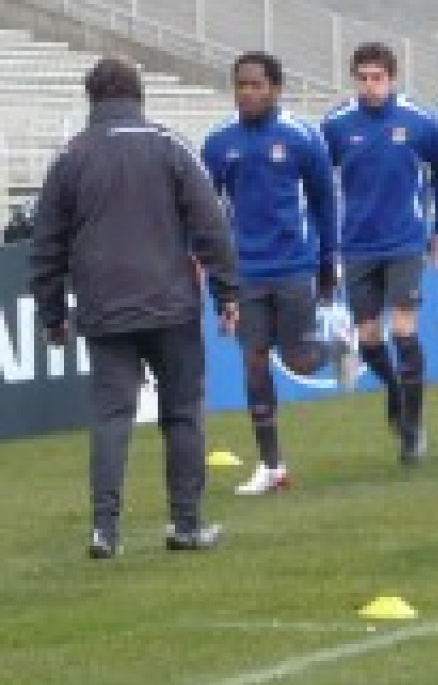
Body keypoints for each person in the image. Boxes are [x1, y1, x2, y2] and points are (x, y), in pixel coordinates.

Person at [29, 57, 238, 558]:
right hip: (171, 305)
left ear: (91, 99)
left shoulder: (71, 157)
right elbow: (210, 224)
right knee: (182, 414)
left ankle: (105, 530)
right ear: (140, 95)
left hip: (104, 308)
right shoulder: (169, 146)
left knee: (111, 418)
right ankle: (185, 525)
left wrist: (51, 313)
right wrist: (227, 292)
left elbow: (46, 244)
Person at [202, 51, 350, 495]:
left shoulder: (302, 137)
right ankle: (271, 466)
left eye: (256, 85)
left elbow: (325, 202)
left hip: (294, 266)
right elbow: (208, 215)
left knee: (299, 359)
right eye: (241, 85)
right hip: (245, 271)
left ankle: (339, 344)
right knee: (253, 361)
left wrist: (329, 261)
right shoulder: (218, 143)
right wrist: (218, 283)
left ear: (275, 89)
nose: (247, 93)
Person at [322, 42, 438, 465]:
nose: (369, 86)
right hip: (358, 244)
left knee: (403, 330)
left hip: (404, 242)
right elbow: (318, 182)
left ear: (392, 78)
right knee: (368, 338)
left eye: (377, 78)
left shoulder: (419, 122)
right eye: (362, 78)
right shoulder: (337, 126)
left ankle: (412, 429)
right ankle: (395, 392)